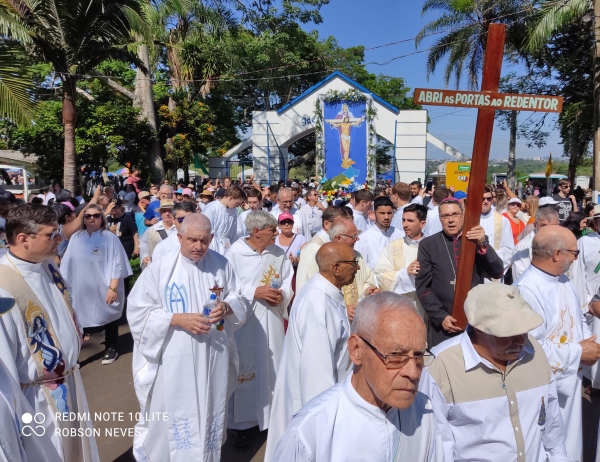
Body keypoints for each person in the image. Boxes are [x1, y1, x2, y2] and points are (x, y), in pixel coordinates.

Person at [127, 214, 246, 461]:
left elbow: (239, 297)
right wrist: (176, 319)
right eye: (192, 240)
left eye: (204, 241)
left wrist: (226, 307)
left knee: (211, 409)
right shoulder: (160, 269)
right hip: (174, 357)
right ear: (179, 237)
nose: (198, 247)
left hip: (214, 355)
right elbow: (138, 310)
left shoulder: (222, 264)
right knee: (174, 418)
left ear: (212, 238)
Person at [273, 293, 444, 462]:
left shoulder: (425, 412)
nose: (413, 372)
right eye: (396, 355)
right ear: (356, 350)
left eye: (419, 355)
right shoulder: (310, 434)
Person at [422, 283, 571, 462]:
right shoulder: (440, 365)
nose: (520, 340)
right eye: (509, 333)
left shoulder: (535, 351)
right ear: (478, 328)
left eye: (525, 330)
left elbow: (551, 421)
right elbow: (438, 445)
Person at [0, 204, 100, 460]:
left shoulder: (47, 265)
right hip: (35, 400)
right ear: (23, 239)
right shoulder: (3, 288)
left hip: (70, 381)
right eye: (51, 234)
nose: (59, 239)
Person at [265, 243, 358, 462]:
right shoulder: (317, 302)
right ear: (336, 268)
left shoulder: (325, 293)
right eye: (353, 263)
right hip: (318, 411)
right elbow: (317, 374)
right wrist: (328, 424)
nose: (357, 268)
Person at [515, 225, 600, 461]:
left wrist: (587, 340)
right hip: (546, 387)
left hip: (570, 379)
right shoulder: (526, 290)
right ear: (556, 254)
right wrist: (578, 352)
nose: (576, 258)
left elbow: (576, 318)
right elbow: (528, 346)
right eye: (574, 252)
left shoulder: (563, 280)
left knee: (570, 443)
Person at [226, 211, 294, 446]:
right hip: (246, 321)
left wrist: (282, 293)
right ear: (256, 232)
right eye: (271, 231)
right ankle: (241, 426)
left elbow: (287, 279)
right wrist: (254, 291)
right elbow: (228, 286)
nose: (276, 234)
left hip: (272, 319)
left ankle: (270, 418)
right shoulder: (234, 254)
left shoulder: (277, 253)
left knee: (271, 366)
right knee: (245, 366)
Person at [416, 198, 504, 346]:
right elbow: (423, 287)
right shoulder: (428, 245)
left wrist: (483, 243)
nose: (451, 220)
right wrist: (440, 316)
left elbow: (497, 271)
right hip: (443, 323)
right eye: (445, 216)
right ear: (440, 219)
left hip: (475, 321)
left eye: (455, 214)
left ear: (463, 215)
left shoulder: (476, 240)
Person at [61, 204, 132, 365]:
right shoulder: (76, 238)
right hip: (81, 289)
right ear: (83, 219)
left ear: (102, 218)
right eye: (88, 216)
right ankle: (76, 353)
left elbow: (117, 264)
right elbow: (67, 264)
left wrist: (113, 288)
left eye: (96, 215)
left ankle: (111, 346)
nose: (92, 218)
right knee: (77, 319)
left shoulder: (109, 238)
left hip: (105, 287)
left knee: (109, 316)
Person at [375, 204, 427, 318]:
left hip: (426, 307)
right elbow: (380, 274)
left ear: (422, 223)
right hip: (400, 307)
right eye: (403, 220)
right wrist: (405, 273)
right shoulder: (394, 247)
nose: (405, 225)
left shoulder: (432, 246)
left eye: (410, 221)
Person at [571, 205, 600, 393]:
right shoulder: (584, 243)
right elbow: (578, 273)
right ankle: (595, 382)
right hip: (593, 300)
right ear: (595, 222)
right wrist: (585, 301)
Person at [329, 218, 379, 320]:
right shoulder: (325, 260)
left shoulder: (357, 256)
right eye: (354, 236)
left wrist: (367, 291)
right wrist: (342, 308)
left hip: (358, 318)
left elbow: (367, 279)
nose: (357, 239)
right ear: (338, 238)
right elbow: (317, 296)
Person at [295, 206, 353, 292]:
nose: (344, 228)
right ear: (326, 224)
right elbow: (303, 281)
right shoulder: (313, 248)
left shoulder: (337, 243)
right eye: (339, 224)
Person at [355, 196, 404, 271]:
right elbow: (360, 267)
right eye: (382, 213)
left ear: (393, 213)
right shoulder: (364, 238)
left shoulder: (400, 235)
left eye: (389, 213)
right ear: (375, 213)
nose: (386, 217)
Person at [511, 207, 560, 280]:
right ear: (535, 225)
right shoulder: (523, 247)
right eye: (543, 226)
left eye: (553, 226)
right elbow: (521, 277)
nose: (548, 230)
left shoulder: (563, 242)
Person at [202, 185, 247, 253]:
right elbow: (206, 230)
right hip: (212, 245)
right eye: (237, 203)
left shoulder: (234, 211)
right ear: (230, 198)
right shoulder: (211, 209)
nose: (237, 206)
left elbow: (233, 232)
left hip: (227, 245)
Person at [480, 186, 514, 276]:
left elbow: (509, 248)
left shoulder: (502, 220)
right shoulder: (469, 219)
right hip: (475, 271)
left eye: (488, 198)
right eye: (482, 198)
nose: (486, 201)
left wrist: (493, 261)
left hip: (494, 269)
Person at [139, 199, 177, 267]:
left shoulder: (180, 229)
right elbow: (143, 243)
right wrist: (145, 255)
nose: (167, 214)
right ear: (160, 213)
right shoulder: (153, 229)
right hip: (157, 265)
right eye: (164, 211)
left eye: (170, 211)